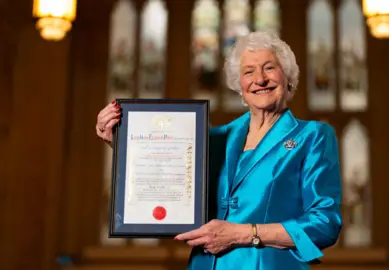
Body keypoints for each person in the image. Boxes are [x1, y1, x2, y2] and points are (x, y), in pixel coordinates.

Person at [95, 31, 342, 270]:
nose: (260, 79)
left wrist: (244, 234)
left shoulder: (312, 136)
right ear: (240, 85)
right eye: (249, 71)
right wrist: (122, 144)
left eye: (269, 68)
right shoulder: (214, 138)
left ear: (288, 77)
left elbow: (324, 224)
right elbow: (168, 181)